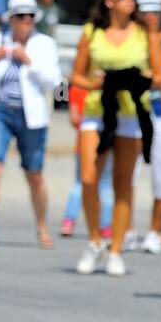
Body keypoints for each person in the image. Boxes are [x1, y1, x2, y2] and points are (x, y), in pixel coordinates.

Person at [71, 0, 161, 276]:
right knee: (88, 177)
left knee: (123, 184)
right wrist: (95, 82)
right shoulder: (92, 33)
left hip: (131, 112)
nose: (129, 0)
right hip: (98, 109)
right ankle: (95, 239)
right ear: (109, 0)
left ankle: (115, 249)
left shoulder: (144, 33)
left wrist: (140, 78)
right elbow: (76, 76)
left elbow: (160, 76)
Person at [0, 0, 61, 248]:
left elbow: (54, 82)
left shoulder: (44, 44)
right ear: (11, 19)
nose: (27, 20)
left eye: (31, 16)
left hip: (31, 116)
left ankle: (42, 228)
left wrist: (28, 61)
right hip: (0, 111)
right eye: (21, 16)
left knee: (34, 174)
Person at [135, 0, 161, 253]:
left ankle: (154, 231)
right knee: (127, 175)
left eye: (155, 12)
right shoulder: (132, 40)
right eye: (146, 11)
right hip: (132, 113)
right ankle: (124, 230)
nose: (151, 16)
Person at [60, 84, 113, 240]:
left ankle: (69, 221)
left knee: (79, 182)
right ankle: (105, 226)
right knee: (105, 183)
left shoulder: (78, 88)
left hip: (83, 143)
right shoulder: (110, 86)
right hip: (107, 141)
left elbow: (74, 118)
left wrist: (88, 124)